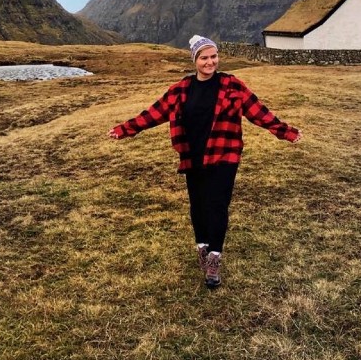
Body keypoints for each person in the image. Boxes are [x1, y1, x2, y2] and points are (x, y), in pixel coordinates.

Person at [108, 34, 301, 288]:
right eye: (204, 58)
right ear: (195, 60)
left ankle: (214, 258)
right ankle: (202, 247)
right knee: (197, 204)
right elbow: (154, 113)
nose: (210, 62)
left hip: (225, 154)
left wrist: (285, 131)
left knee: (217, 205)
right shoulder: (181, 89)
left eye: (214, 56)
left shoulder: (233, 86)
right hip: (193, 155)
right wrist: (125, 129)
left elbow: (259, 112)